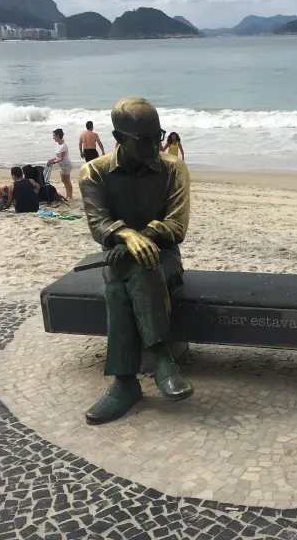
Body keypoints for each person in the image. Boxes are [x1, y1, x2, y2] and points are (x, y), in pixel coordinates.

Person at [79, 97, 192, 425]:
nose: (154, 146)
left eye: (157, 137)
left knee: (122, 284)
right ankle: (161, 360)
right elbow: (97, 223)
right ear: (118, 138)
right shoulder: (94, 173)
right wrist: (128, 237)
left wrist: (141, 239)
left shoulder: (173, 168)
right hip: (118, 257)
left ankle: (125, 385)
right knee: (126, 277)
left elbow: (177, 226)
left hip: (163, 258)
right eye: (144, 141)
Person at [47, 128, 73, 200]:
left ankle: (70, 196)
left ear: (58, 136)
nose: (53, 138)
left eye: (54, 136)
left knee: (67, 181)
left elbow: (61, 158)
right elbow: (57, 156)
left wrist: (54, 162)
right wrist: (52, 159)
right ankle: (67, 194)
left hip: (66, 165)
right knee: (63, 180)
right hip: (62, 165)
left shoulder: (63, 146)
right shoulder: (58, 144)